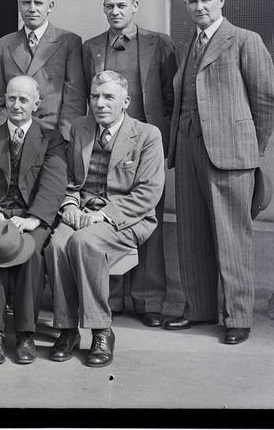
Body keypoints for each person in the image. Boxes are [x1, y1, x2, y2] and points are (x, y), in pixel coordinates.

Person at [164, 0, 274, 345]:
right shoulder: (187, 47)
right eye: (192, 1)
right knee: (192, 234)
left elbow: (266, 102)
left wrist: (248, 149)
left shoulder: (245, 41)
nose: (198, 7)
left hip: (232, 155)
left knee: (232, 238)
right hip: (188, 150)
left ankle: (237, 318)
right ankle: (198, 309)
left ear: (221, 0)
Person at [45, 71, 164, 368]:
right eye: (95, 97)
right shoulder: (80, 127)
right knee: (56, 244)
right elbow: (71, 180)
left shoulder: (147, 135)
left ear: (126, 102)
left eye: (109, 97)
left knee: (85, 242)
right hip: (82, 211)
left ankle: (101, 330)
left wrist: (103, 215)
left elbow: (148, 193)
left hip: (127, 217)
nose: (100, 103)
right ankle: (68, 329)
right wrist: (70, 206)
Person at [81, 0, 177, 327]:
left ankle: (149, 299)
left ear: (135, 6)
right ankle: (113, 297)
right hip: (106, 144)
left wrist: (165, 141)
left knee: (145, 215)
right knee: (105, 212)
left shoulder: (159, 44)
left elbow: (171, 97)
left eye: (121, 5)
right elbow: (85, 98)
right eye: (109, 6)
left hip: (145, 143)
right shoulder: (90, 47)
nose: (115, 11)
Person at [0, 75, 67, 365]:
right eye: (12, 98)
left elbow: (53, 184)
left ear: (37, 104)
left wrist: (35, 219)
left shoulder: (52, 140)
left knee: (32, 254)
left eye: (24, 100)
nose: (16, 105)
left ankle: (26, 333)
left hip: (31, 216)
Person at [0, 0, 85, 138]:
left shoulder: (69, 42)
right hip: (13, 133)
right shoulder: (4, 44)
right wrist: (0, 126)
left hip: (51, 136)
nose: (32, 9)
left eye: (38, 3)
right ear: (18, 5)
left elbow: (74, 101)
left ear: (50, 6)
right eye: (26, 3)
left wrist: (65, 140)